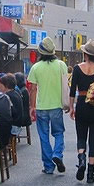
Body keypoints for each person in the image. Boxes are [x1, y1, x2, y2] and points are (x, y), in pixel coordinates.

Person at [69, 39, 94, 183]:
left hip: (81, 105)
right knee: (93, 140)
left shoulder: (77, 68)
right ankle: (90, 174)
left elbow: (72, 90)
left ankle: (81, 160)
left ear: (86, 54)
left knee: (81, 137)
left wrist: (71, 108)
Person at [28, 37, 68, 174]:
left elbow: (33, 89)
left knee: (43, 136)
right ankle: (57, 154)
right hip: (56, 106)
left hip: (41, 107)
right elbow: (65, 85)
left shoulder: (36, 67)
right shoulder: (61, 65)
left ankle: (49, 166)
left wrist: (32, 107)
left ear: (40, 52)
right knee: (58, 133)